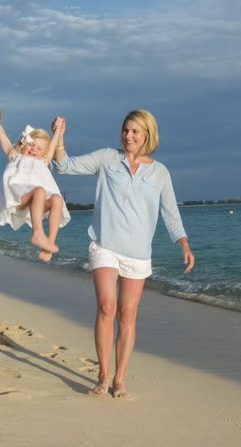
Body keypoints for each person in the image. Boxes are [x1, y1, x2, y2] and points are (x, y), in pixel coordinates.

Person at [52, 109, 195, 399]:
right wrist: (59, 136)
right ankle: (103, 375)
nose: (128, 136)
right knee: (107, 306)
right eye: (125, 130)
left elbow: (171, 212)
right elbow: (64, 166)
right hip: (104, 244)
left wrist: (183, 243)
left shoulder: (160, 172)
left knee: (127, 315)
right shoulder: (107, 158)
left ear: (147, 135)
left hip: (138, 253)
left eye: (135, 131)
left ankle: (120, 379)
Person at [0, 104, 71, 263]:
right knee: (40, 190)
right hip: (18, 199)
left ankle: (48, 244)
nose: (35, 149)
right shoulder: (14, 155)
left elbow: (53, 146)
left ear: (44, 153)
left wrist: (58, 131)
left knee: (57, 199)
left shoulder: (43, 161)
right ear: (23, 144)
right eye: (31, 144)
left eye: (40, 149)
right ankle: (37, 233)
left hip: (37, 201)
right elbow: (1, 133)